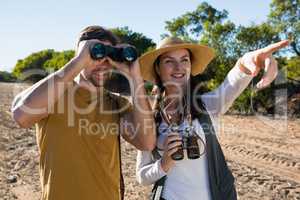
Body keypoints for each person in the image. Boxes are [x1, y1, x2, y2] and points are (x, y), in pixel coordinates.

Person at [11, 25, 156, 200]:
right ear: (81, 54)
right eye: (97, 54)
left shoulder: (117, 103)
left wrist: (135, 77)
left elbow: (146, 142)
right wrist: (79, 62)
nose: (103, 64)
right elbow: (21, 116)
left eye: (108, 57)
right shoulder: (56, 93)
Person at [136, 37, 289, 200]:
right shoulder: (149, 119)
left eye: (184, 60)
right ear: (158, 69)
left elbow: (233, 82)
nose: (179, 67)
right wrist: (163, 164)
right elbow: (141, 176)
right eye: (169, 61)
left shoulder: (208, 104)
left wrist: (248, 60)